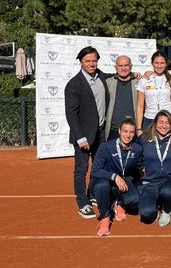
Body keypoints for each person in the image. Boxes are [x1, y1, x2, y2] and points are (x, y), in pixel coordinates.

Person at [65, 46, 109, 219]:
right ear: (81, 62)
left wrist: (138, 75)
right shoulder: (74, 84)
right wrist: (80, 137)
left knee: (98, 167)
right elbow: (71, 113)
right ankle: (82, 203)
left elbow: (120, 75)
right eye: (87, 61)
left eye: (94, 60)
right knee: (81, 169)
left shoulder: (102, 77)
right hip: (83, 136)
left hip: (100, 132)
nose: (91, 64)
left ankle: (92, 195)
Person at [90, 117, 144, 236]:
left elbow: (141, 167)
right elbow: (95, 170)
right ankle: (105, 217)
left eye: (131, 132)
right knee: (101, 186)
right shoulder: (106, 146)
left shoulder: (137, 149)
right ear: (119, 131)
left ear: (135, 134)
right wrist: (114, 176)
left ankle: (119, 203)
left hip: (124, 180)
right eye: (125, 131)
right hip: (105, 180)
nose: (128, 135)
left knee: (135, 200)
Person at [137, 110, 171, 226]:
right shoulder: (144, 138)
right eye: (161, 122)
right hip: (150, 181)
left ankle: (166, 210)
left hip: (168, 180)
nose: (164, 126)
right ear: (155, 123)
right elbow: (136, 154)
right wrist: (141, 166)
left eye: (167, 123)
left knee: (168, 192)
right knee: (146, 214)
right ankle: (155, 208)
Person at [135, 51, 171, 135]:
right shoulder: (144, 80)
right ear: (152, 63)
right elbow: (140, 106)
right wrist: (139, 128)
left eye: (162, 63)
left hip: (168, 118)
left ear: (166, 64)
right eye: (156, 63)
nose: (159, 66)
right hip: (150, 118)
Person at [105, 55, 138, 140]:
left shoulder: (139, 82)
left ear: (131, 67)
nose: (123, 68)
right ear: (115, 67)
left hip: (133, 131)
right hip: (113, 130)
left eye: (126, 65)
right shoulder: (108, 83)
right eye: (120, 66)